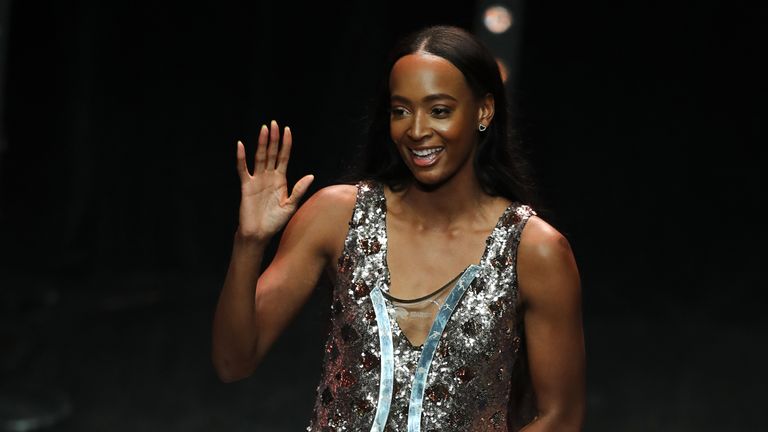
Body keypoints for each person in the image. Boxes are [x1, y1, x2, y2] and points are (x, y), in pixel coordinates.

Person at [212, 25, 585, 431]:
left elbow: (560, 416)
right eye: (401, 110)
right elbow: (234, 362)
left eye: (439, 110)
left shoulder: (534, 249)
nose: (417, 130)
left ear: (484, 111)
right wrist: (248, 243)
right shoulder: (336, 216)